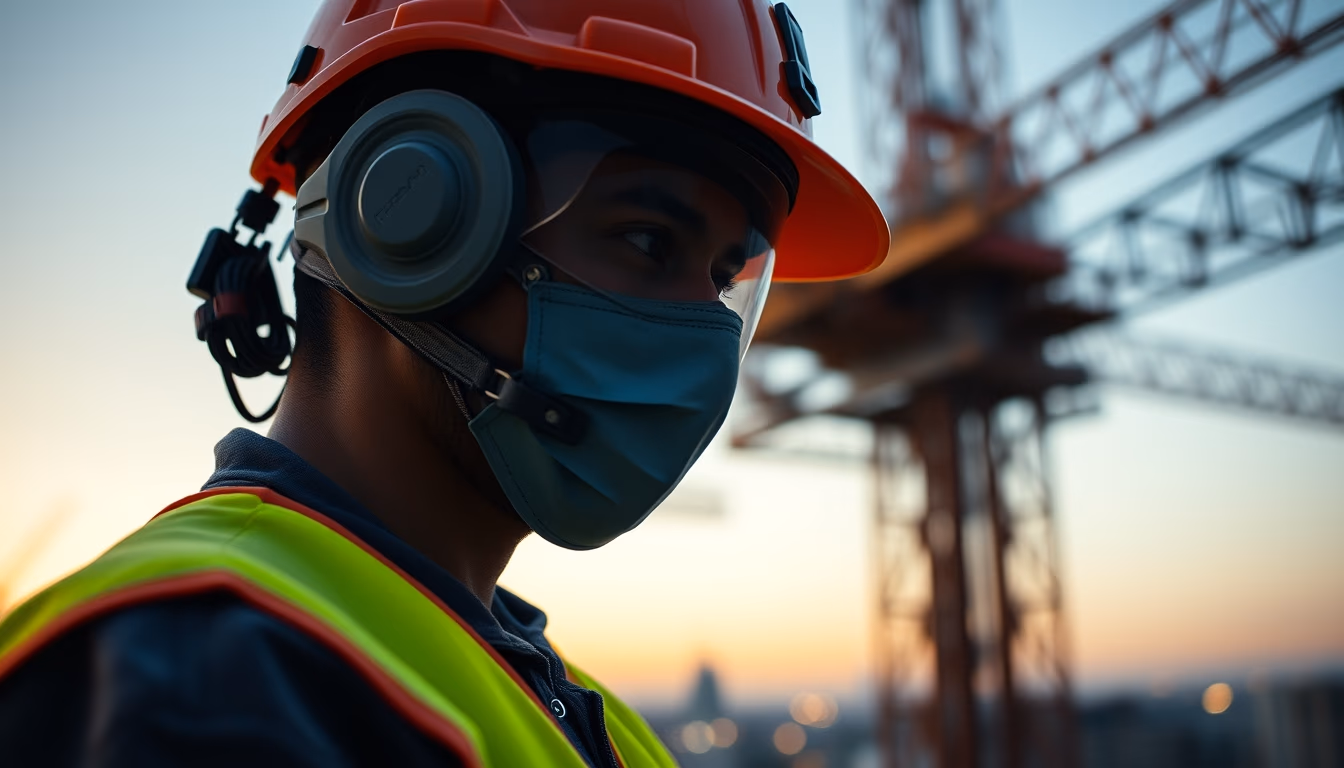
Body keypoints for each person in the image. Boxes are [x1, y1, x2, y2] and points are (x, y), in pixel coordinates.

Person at [0, 1, 888, 765]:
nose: (699, 335)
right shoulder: (203, 675)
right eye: (651, 241)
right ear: (405, 215)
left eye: (724, 276)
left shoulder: (586, 718)